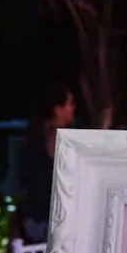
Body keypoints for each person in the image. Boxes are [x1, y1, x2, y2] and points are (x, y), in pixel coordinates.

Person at [17, 83, 78, 242]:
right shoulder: (59, 141)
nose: (73, 108)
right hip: (44, 223)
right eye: (70, 104)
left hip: (40, 222)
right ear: (58, 109)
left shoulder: (33, 140)